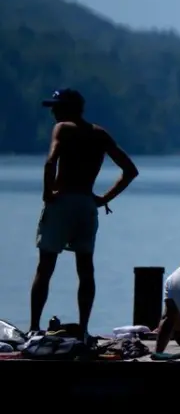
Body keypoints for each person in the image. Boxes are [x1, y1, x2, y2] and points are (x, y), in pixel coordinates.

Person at [29, 88, 139, 333]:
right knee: (85, 268)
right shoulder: (99, 134)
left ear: (69, 108)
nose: (53, 112)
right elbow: (130, 170)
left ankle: (34, 327)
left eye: (57, 107)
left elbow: (50, 161)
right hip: (86, 206)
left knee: (45, 266)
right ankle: (85, 329)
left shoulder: (63, 129)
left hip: (62, 203)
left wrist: (48, 194)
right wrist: (103, 199)